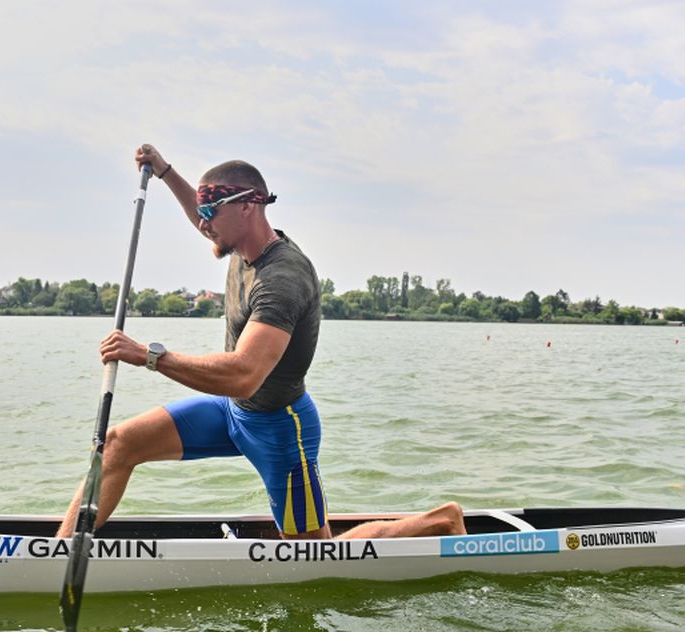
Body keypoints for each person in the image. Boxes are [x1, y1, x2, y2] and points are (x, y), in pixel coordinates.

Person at [56, 144, 467, 541]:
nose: (202, 223)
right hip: (230, 413)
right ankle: (58, 551)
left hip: (279, 425)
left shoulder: (282, 278)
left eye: (209, 212)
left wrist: (148, 356)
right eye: (201, 212)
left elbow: (245, 375)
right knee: (119, 444)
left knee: (316, 554)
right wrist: (164, 172)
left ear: (246, 207)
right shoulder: (237, 243)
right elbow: (203, 217)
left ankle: (440, 522)